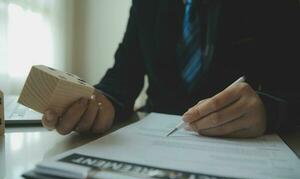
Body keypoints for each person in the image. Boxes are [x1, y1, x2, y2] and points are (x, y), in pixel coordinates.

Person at [42, 0, 300, 138]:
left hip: (243, 149)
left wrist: (270, 110)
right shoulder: (146, 4)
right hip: (154, 145)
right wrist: (102, 104)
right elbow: (121, 77)